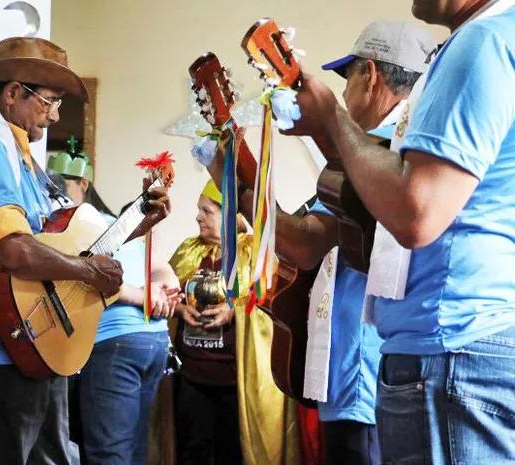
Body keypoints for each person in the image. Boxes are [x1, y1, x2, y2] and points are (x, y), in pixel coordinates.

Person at [279, 1, 515, 463]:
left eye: (348, 83)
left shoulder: (482, 42)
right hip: (469, 342)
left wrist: (330, 116)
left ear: (370, 75)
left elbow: (416, 213)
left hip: (450, 349)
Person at [204, 20, 435, 465]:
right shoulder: (388, 157)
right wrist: (233, 182)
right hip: (365, 370)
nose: (345, 97)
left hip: (370, 370)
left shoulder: (389, 155)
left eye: (346, 84)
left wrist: (238, 185)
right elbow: (306, 240)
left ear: (369, 76)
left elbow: (304, 243)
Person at [0, 37, 170, 465]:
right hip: (5, 343)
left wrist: (136, 222)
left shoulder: (15, 151)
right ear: (12, 94)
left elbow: (59, 244)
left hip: (31, 341)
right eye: (48, 101)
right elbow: (13, 251)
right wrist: (87, 273)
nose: (56, 114)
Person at [47, 151, 181, 465]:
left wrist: (155, 293)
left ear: (82, 184)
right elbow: (158, 267)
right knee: (132, 450)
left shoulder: (82, 226)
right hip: (152, 340)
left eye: (62, 186)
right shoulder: (113, 224)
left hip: (116, 342)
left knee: (110, 454)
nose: (58, 195)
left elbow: (95, 276)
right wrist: (160, 290)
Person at [170, 180, 301, 465]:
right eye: (198, 210)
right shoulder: (187, 251)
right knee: (192, 452)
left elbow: (273, 304)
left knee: (233, 452)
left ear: (230, 215)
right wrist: (179, 308)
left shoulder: (253, 253)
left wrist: (236, 310)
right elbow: (166, 296)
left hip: (234, 379)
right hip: (192, 375)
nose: (198, 217)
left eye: (207, 211)